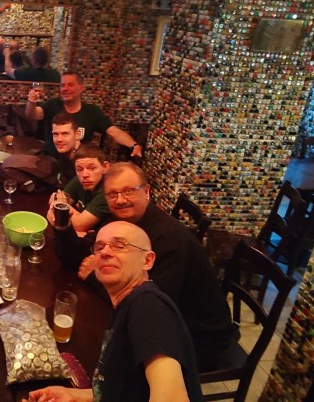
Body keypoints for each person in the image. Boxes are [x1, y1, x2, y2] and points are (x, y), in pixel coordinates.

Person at [52, 162, 236, 372]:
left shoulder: (170, 240)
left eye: (129, 191)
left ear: (146, 191)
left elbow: (153, 307)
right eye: (112, 194)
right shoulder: (118, 221)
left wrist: (95, 277)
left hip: (196, 336)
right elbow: (80, 257)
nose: (120, 200)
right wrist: (62, 225)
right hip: (153, 317)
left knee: (102, 359)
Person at [25, 221, 203, 402]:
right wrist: (74, 395)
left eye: (119, 245)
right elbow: (122, 391)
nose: (105, 252)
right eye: (99, 247)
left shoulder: (148, 306)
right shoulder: (127, 304)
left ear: (147, 261)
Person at [25, 71, 143, 158]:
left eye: (70, 85)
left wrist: (133, 145)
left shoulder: (92, 111)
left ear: (81, 88)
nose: (65, 89)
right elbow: (32, 115)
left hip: (78, 164)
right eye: (62, 85)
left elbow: (114, 132)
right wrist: (31, 102)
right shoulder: (52, 104)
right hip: (50, 160)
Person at [50, 143, 111, 234]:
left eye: (92, 168)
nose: (85, 174)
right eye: (79, 169)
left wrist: (61, 206)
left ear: (105, 167)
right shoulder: (82, 179)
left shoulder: (109, 190)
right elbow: (55, 209)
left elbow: (79, 225)